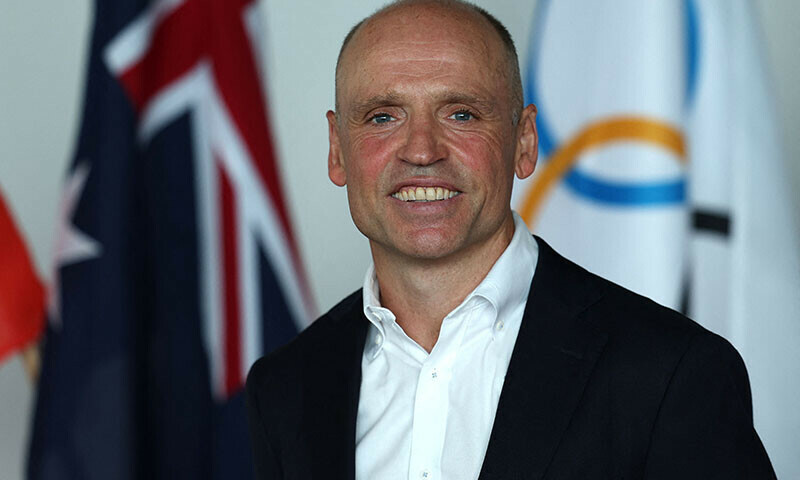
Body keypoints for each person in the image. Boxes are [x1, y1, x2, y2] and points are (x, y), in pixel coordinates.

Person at [245, 1, 776, 478]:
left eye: (461, 114)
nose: (422, 150)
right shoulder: (286, 387)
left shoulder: (671, 373)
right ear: (338, 150)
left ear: (524, 142)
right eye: (384, 116)